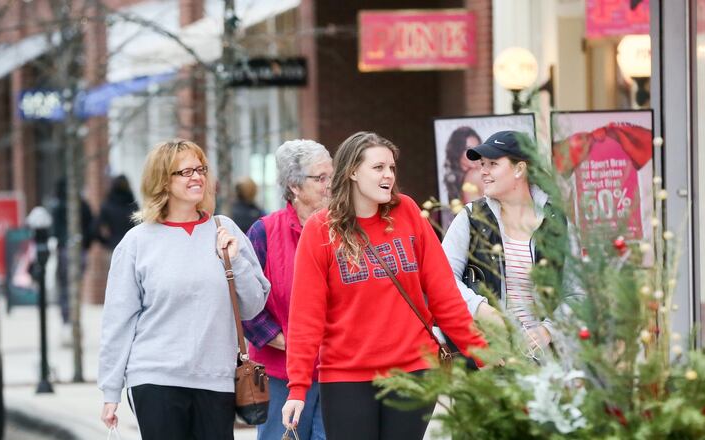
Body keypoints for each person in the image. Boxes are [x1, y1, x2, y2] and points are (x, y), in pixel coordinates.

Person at [281, 132, 487, 440]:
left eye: (391, 168)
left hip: (413, 371)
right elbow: (306, 316)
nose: (388, 175)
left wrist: (480, 353)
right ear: (352, 171)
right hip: (346, 377)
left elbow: (445, 297)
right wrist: (298, 386)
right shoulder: (320, 229)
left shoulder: (407, 213)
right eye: (378, 168)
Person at [98, 139, 270, 439]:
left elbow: (253, 306)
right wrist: (111, 390)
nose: (197, 177)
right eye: (185, 171)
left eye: (201, 169)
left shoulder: (224, 229)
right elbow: (118, 322)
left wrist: (236, 259)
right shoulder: (137, 242)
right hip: (155, 377)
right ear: (163, 181)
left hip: (216, 380)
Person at [442, 131, 580, 360]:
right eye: (482, 164)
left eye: (493, 164)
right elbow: (442, 277)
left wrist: (548, 330)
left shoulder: (557, 222)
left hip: (546, 365)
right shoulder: (471, 218)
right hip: (487, 360)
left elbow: (577, 293)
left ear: (519, 169)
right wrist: (479, 308)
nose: (483, 171)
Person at [242, 139, 333, 440]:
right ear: (294, 186)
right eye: (321, 178)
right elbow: (247, 307)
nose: (330, 185)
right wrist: (294, 345)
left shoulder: (345, 230)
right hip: (280, 374)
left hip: (337, 372)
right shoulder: (264, 232)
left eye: (332, 176)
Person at [49, 178, 94, 339]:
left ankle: (68, 322)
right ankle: (72, 322)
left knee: (65, 288)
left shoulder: (58, 206)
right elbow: (92, 225)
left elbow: (53, 230)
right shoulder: (82, 204)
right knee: (75, 288)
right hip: (79, 249)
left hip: (65, 250)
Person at [93, 175, 139, 251]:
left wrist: (106, 242)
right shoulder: (134, 206)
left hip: (114, 246)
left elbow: (95, 229)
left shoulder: (107, 205)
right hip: (132, 246)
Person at [443, 126, 483, 203]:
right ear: (457, 151)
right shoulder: (472, 175)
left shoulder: (475, 174)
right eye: (468, 149)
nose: (474, 153)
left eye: (477, 148)